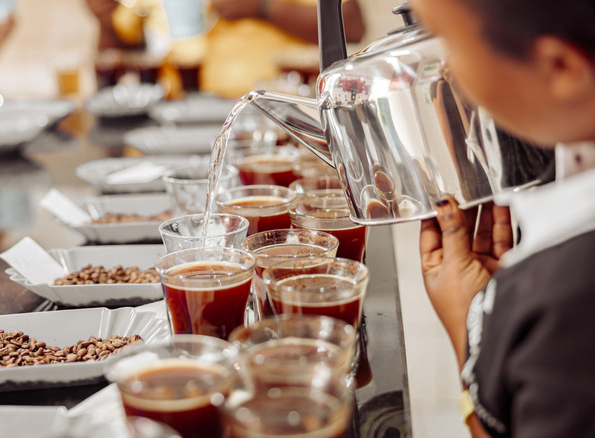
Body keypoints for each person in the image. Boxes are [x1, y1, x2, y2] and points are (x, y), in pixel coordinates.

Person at [412, 0, 595, 436]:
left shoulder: (568, 303)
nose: (447, 71)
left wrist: (471, 335)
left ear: (561, 68)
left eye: (452, 44)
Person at [86, 0, 365, 98]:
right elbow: (118, 49)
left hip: (275, 115)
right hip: (181, 116)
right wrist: (104, 19)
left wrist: (262, 7)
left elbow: (351, 24)